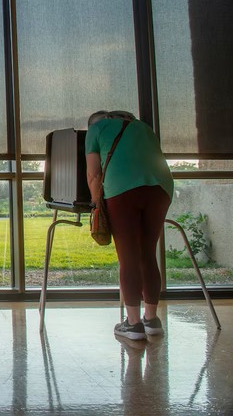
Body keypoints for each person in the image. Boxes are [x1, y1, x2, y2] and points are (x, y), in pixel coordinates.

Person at [85, 110, 174, 340]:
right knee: (148, 255)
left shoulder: (96, 128)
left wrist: (96, 204)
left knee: (128, 257)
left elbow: (93, 175)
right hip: (161, 188)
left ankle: (133, 325)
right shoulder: (143, 127)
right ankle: (152, 320)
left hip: (122, 190)